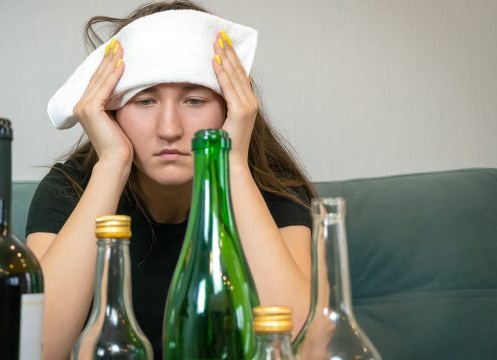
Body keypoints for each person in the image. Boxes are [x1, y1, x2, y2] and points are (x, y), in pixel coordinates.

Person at [26, 1, 316, 359]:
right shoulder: (68, 189)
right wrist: (112, 164)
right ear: (111, 109)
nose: (169, 129)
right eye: (144, 101)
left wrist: (232, 162)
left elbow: (307, 349)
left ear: (232, 108)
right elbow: (35, 350)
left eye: (194, 100)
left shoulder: (275, 191)